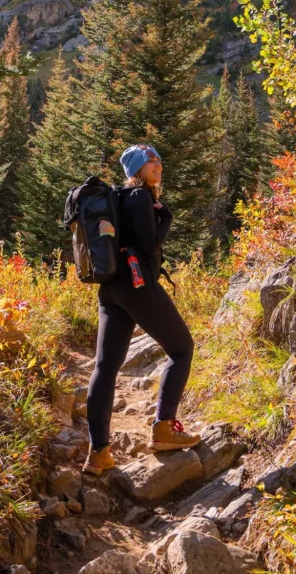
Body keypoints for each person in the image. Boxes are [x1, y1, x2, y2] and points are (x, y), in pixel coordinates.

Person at [83, 144, 200, 476]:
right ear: (136, 169)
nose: (157, 164)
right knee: (181, 348)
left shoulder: (118, 200)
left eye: (159, 159)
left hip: (111, 290)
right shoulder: (139, 197)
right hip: (137, 285)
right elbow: (150, 244)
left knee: (105, 368)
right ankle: (164, 428)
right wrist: (166, 217)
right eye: (150, 161)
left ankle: (99, 453)